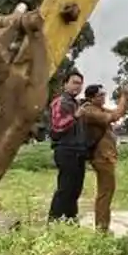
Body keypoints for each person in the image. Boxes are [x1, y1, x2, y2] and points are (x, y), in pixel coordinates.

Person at [78, 83, 128, 233]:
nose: (103, 97)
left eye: (104, 94)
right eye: (100, 95)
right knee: (105, 193)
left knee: (107, 191)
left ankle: (103, 227)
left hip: (105, 156)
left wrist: (126, 98)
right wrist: (123, 96)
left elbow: (118, 112)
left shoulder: (98, 109)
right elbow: (113, 116)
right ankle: (101, 229)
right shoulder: (89, 111)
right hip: (101, 157)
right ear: (91, 97)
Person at [47, 70, 88, 222]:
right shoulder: (60, 102)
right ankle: (54, 221)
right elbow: (57, 126)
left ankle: (70, 220)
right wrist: (75, 116)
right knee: (65, 188)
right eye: (74, 83)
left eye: (80, 84)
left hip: (78, 151)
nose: (78, 86)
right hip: (66, 150)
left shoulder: (76, 103)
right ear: (65, 84)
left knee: (75, 189)